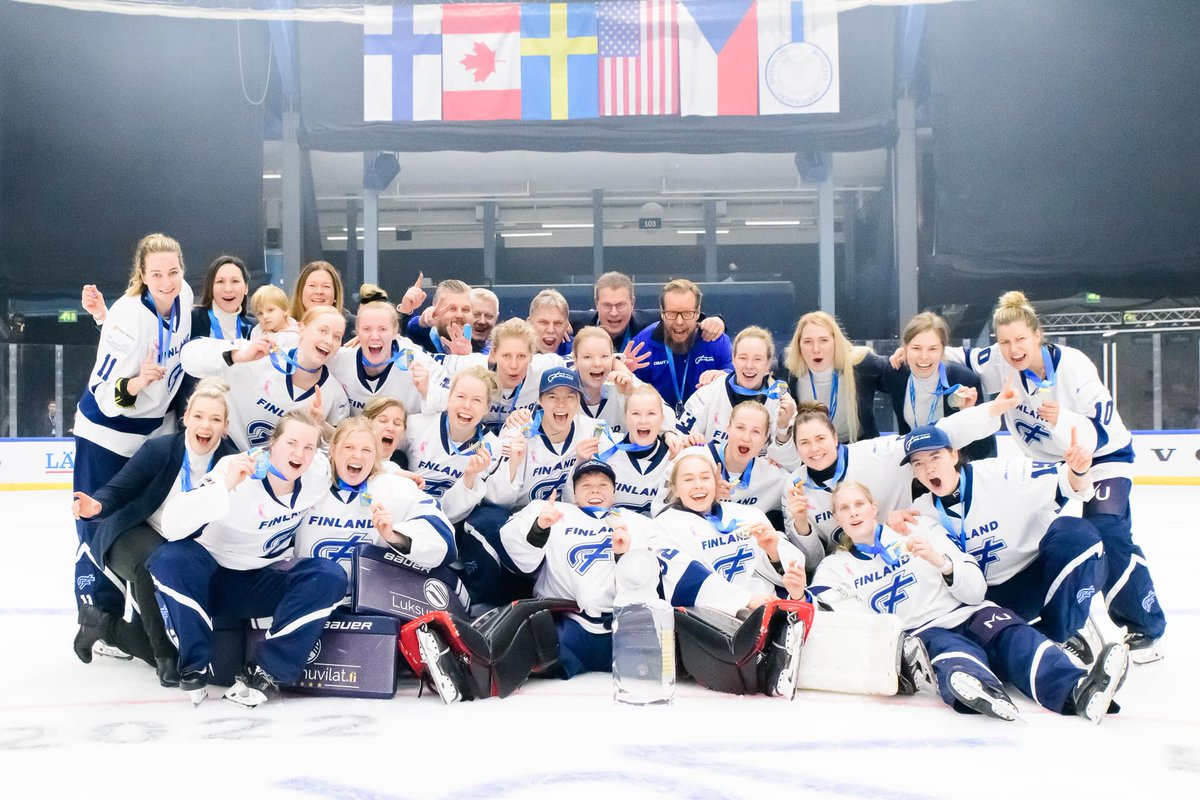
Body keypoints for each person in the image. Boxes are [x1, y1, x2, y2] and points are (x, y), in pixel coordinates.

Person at [943, 291, 1165, 661]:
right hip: (1052, 468)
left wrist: (1064, 419)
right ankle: (1062, 621)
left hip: (1103, 457)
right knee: (1036, 536)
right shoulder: (999, 360)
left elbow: (1105, 429)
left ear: (1037, 335)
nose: (1013, 349)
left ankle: (1145, 626)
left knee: (1108, 531)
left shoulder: (1074, 365)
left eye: (1020, 340)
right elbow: (956, 355)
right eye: (1004, 342)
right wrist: (908, 352)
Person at [808, 482, 1127, 723]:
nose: (853, 512)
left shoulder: (918, 528)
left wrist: (942, 563)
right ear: (836, 517)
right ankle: (981, 690)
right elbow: (841, 619)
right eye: (844, 508)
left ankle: (1080, 690)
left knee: (1018, 639)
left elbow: (974, 589)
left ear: (873, 506)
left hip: (971, 610)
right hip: (925, 630)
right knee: (954, 656)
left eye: (859, 504)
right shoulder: (834, 568)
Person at [148, 411, 348, 707]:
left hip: (258, 581)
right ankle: (194, 664)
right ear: (272, 443)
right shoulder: (236, 469)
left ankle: (267, 670)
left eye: (308, 447)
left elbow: (362, 465)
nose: (300, 454)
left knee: (329, 576)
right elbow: (172, 525)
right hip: (209, 579)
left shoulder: (318, 469)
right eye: (291, 443)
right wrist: (223, 486)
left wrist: (397, 474)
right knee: (170, 559)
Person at [70, 378, 239, 686]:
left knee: (144, 637)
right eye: (199, 416)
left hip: (181, 545)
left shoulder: (230, 462)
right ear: (186, 418)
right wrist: (97, 506)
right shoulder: (160, 450)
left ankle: (99, 625)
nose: (206, 425)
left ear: (225, 426)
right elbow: (119, 490)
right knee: (154, 562)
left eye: (215, 419)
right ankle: (165, 658)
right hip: (133, 533)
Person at [894, 424, 1114, 654]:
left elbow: (1073, 487)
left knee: (1076, 535)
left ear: (953, 455)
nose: (928, 469)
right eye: (918, 464)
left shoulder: (1003, 473)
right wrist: (894, 523)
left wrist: (1079, 471)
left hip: (1038, 578)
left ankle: (1059, 630)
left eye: (935, 457)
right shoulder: (920, 513)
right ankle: (1029, 637)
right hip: (985, 600)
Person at [73, 233, 193, 631]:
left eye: (173, 271)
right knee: (97, 521)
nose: (167, 281)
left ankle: (144, 618)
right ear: (142, 274)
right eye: (156, 274)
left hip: (148, 436)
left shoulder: (185, 297)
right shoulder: (127, 315)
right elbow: (108, 395)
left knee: (136, 527)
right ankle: (97, 615)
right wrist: (139, 383)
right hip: (105, 435)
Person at [777, 390, 1015, 572]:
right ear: (796, 447)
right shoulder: (794, 487)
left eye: (820, 438)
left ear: (836, 438)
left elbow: (936, 434)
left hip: (909, 553)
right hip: (855, 570)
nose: (815, 449)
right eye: (805, 443)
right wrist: (801, 525)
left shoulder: (876, 453)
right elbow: (812, 562)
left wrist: (991, 410)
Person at [500, 459, 657, 678]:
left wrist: (623, 556)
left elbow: (648, 581)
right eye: (586, 485)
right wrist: (539, 527)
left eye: (602, 484)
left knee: (654, 668)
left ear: (614, 493)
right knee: (518, 659)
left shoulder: (638, 524)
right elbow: (520, 559)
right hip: (567, 625)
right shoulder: (553, 512)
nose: (595, 489)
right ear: (573, 494)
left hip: (619, 628)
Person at [293, 417, 455, 586]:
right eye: (349, 447)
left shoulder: (393, 487)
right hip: (309, 593)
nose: (357, 455)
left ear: (376, 456)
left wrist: (394, 535)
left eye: (367, 450)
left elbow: (445, 543)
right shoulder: (309, 481)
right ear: (332, 450)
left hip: (370, 601)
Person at [180, 305, 351, 449]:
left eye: (337, 337)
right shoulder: (258, 354)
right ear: (301, 328)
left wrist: (321, 424)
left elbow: (337, 450)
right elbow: (188, 358)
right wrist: (237, 356)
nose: (329, 341)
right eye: (322, 331)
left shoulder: (335, 395)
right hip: (226, 455)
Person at [880, 311, 992, 460]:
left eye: (932, 348)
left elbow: (984, 449)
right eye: (916, 348)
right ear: (905, 348)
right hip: (914, 462)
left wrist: (968, 415)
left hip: (954, 468)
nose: (924, 356)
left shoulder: (964, 380)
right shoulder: (896, 373)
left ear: (942, 350)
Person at [326, 284, 447, 417]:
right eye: (367, 329)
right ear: (358, 333)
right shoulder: (338, 360)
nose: (375, 336)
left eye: (382, 329)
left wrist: (429, 391)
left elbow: (451, 399)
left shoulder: (414, 360)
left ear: (395, 332)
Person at [403, 367, 505, 524]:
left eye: (477, 400)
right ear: (449, 398)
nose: (467, 406)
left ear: (486, 408)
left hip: (445, 527)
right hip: (402, 512)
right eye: (461, 396)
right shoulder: (415, 426)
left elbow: (452, 513)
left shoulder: (492, 448)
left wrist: (470, 477)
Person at [434, 318, 568, 433]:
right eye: (506, 356)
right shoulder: (470, 366)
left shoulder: (547, 368)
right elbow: (422, 360)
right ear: (492, 354)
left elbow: (582, 358)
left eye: (521, 356)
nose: (514, 365)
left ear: (532, 357)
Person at [678, 325, 795, 446]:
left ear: (768, 363)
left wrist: (783, 430)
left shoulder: (781, 401)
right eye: (743, 358)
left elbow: (790, 462)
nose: (749, 365)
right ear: (733, 359)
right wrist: (689, 443)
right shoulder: (709, 392)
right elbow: (679, 437)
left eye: (757, 359)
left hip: (760, 465)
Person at [781, 311, 887, 443]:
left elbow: (897, 377)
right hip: (810, 448)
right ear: (799, 345)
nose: (816, 349)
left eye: (824, 340)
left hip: (856, 447)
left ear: (836, 342)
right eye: (808, 342)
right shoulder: (788, 367)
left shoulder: (861, 363)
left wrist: (904, 356)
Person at [631, 278, 732, 414]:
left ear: (697, 312)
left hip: (705, 427)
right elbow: (629, 398)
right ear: (662, 312)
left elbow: (739, 377)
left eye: (687, 314)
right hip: (658, 426)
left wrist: (724, 376)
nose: (679, 322)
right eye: (672, 313)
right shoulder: (643, 344)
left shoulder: (716, 340)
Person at [568, 271, 726, 351]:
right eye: (607, 305)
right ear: (596, 304)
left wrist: (716, 321)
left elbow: (683, 316)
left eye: (621, 305)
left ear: (633, 303)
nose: (614, 313)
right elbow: (548, 317)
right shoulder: (579, 324)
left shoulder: (650, 322)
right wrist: (559, 326)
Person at [572, 325, 671, 439]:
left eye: (604, 356)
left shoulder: (623, 383)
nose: (597, 363)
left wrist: (632, 391)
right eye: (587, 357)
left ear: (612, 358)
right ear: (575, 359)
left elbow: (669, 418)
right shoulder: (563, 389)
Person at [599, 383, 678, 515]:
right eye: (635, 413)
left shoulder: (676, 456)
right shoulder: (604, 448)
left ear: (662, 419)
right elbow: (574, 499)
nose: (643, 420)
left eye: (651, 413)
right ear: (625, 417)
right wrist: (580, 460)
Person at [396, 276, 478, 355]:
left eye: (466, 310)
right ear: (434, 307)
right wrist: (405, 311)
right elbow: (393, 341)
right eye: (451, 308)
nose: (459, 315)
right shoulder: (416, 339)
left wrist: (465, 358)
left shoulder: (481, 344)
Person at [289, 260, 353, 342]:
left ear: (335, 293)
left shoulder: (351, 327)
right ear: (300, 291)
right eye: (312, 285)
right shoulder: (285, 326)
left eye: (326, 286)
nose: (319, 291)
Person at [249, 284, 299, 349]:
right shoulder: (257, 330)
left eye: (270, 310)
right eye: (260, 313)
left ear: (285, 310)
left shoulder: (294, 336)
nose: (265, 316)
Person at [528, 289, 573, 356]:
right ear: (529, 324)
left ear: (566, 326)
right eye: (543, 322)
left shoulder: (578, 351)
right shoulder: (515, 352)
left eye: (558, 323)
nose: (551, 330)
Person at [470, 287, 500, 351]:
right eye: (476, 315)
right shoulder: (446, 349)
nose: (482, 321)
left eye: (489, 316)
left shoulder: (502, 352)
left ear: (496, 318)